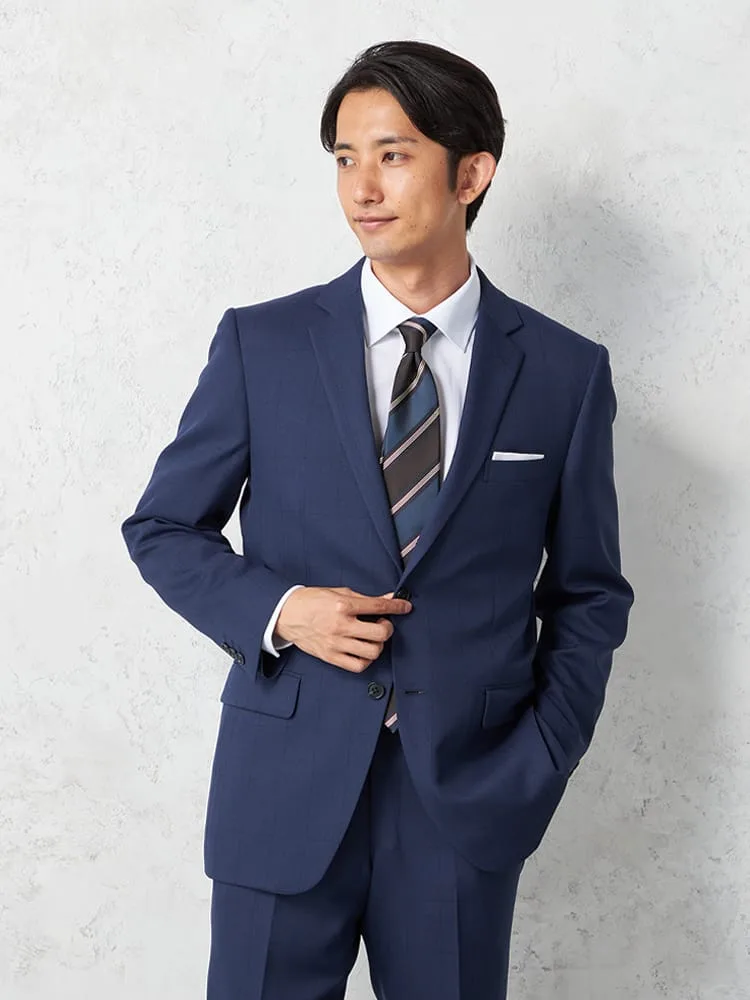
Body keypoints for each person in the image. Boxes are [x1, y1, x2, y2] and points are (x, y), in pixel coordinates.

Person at [121, 39, 634, 1000]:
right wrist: (283, 611)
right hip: (283, 788)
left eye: (393, 156)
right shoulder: (263, 344)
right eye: (345, 159)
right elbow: (163, 528)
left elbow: (590, 594)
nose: (362, 188)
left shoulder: (565, 373)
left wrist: (539, 759)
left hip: (465, 802)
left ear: (471, 174)